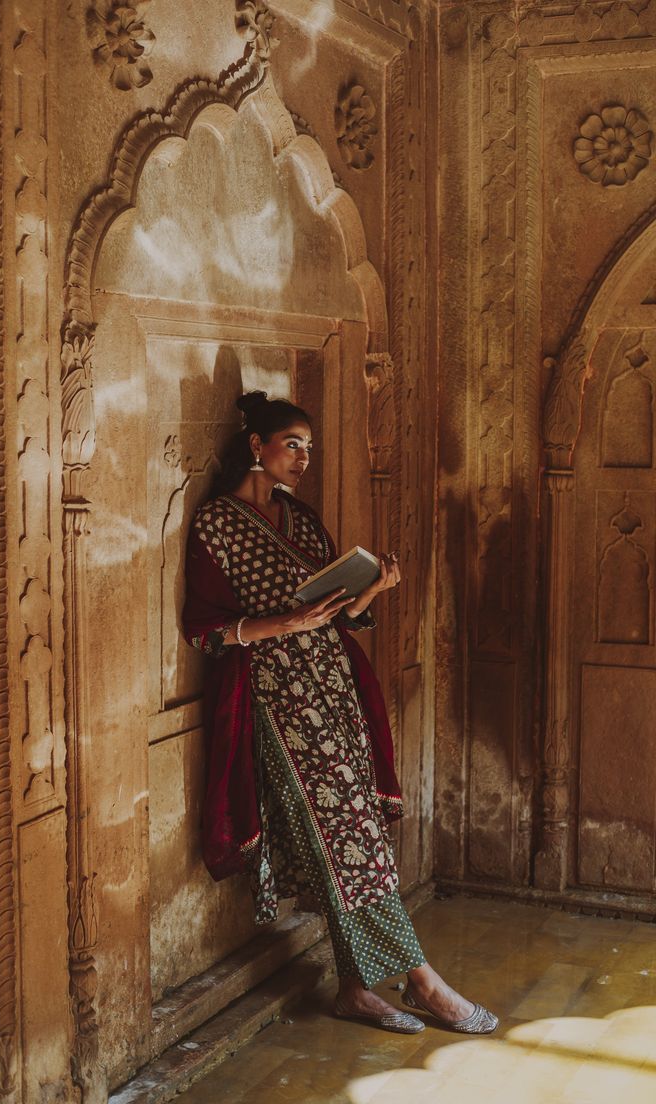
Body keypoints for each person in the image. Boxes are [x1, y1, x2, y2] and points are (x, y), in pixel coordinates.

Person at [182, 390, 497, 1035]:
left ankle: (354, 989)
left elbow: (334, 613)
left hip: (336, 690)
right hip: (279, 700)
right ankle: (424, 982)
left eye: (309, 448)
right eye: (292, 445)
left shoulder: (301, 518)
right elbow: (203, 632)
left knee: (356, 838)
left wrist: (371, 589)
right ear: (256, 448)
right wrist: (284, 622)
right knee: (346, 840)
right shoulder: (216, 523)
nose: (302, 459)